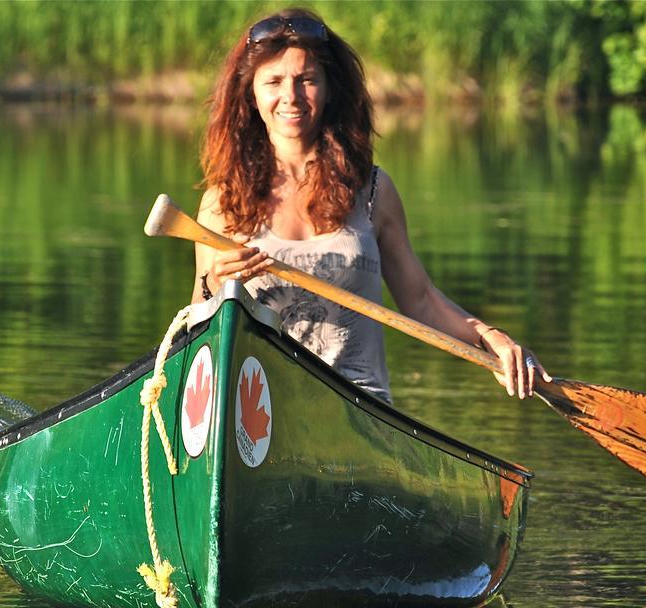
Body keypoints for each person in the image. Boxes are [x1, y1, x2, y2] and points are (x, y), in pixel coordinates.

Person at [192, 8, 548, 403]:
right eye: (273, 81)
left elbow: (421, 300)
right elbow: (195, 334)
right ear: (251, 93)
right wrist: (213, 287)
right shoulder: (222, 202)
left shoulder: (372, 190)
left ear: (328, 90)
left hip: (361, 408)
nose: (290, 96)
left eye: (306, 80)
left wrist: (490, 339)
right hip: (261, 411)